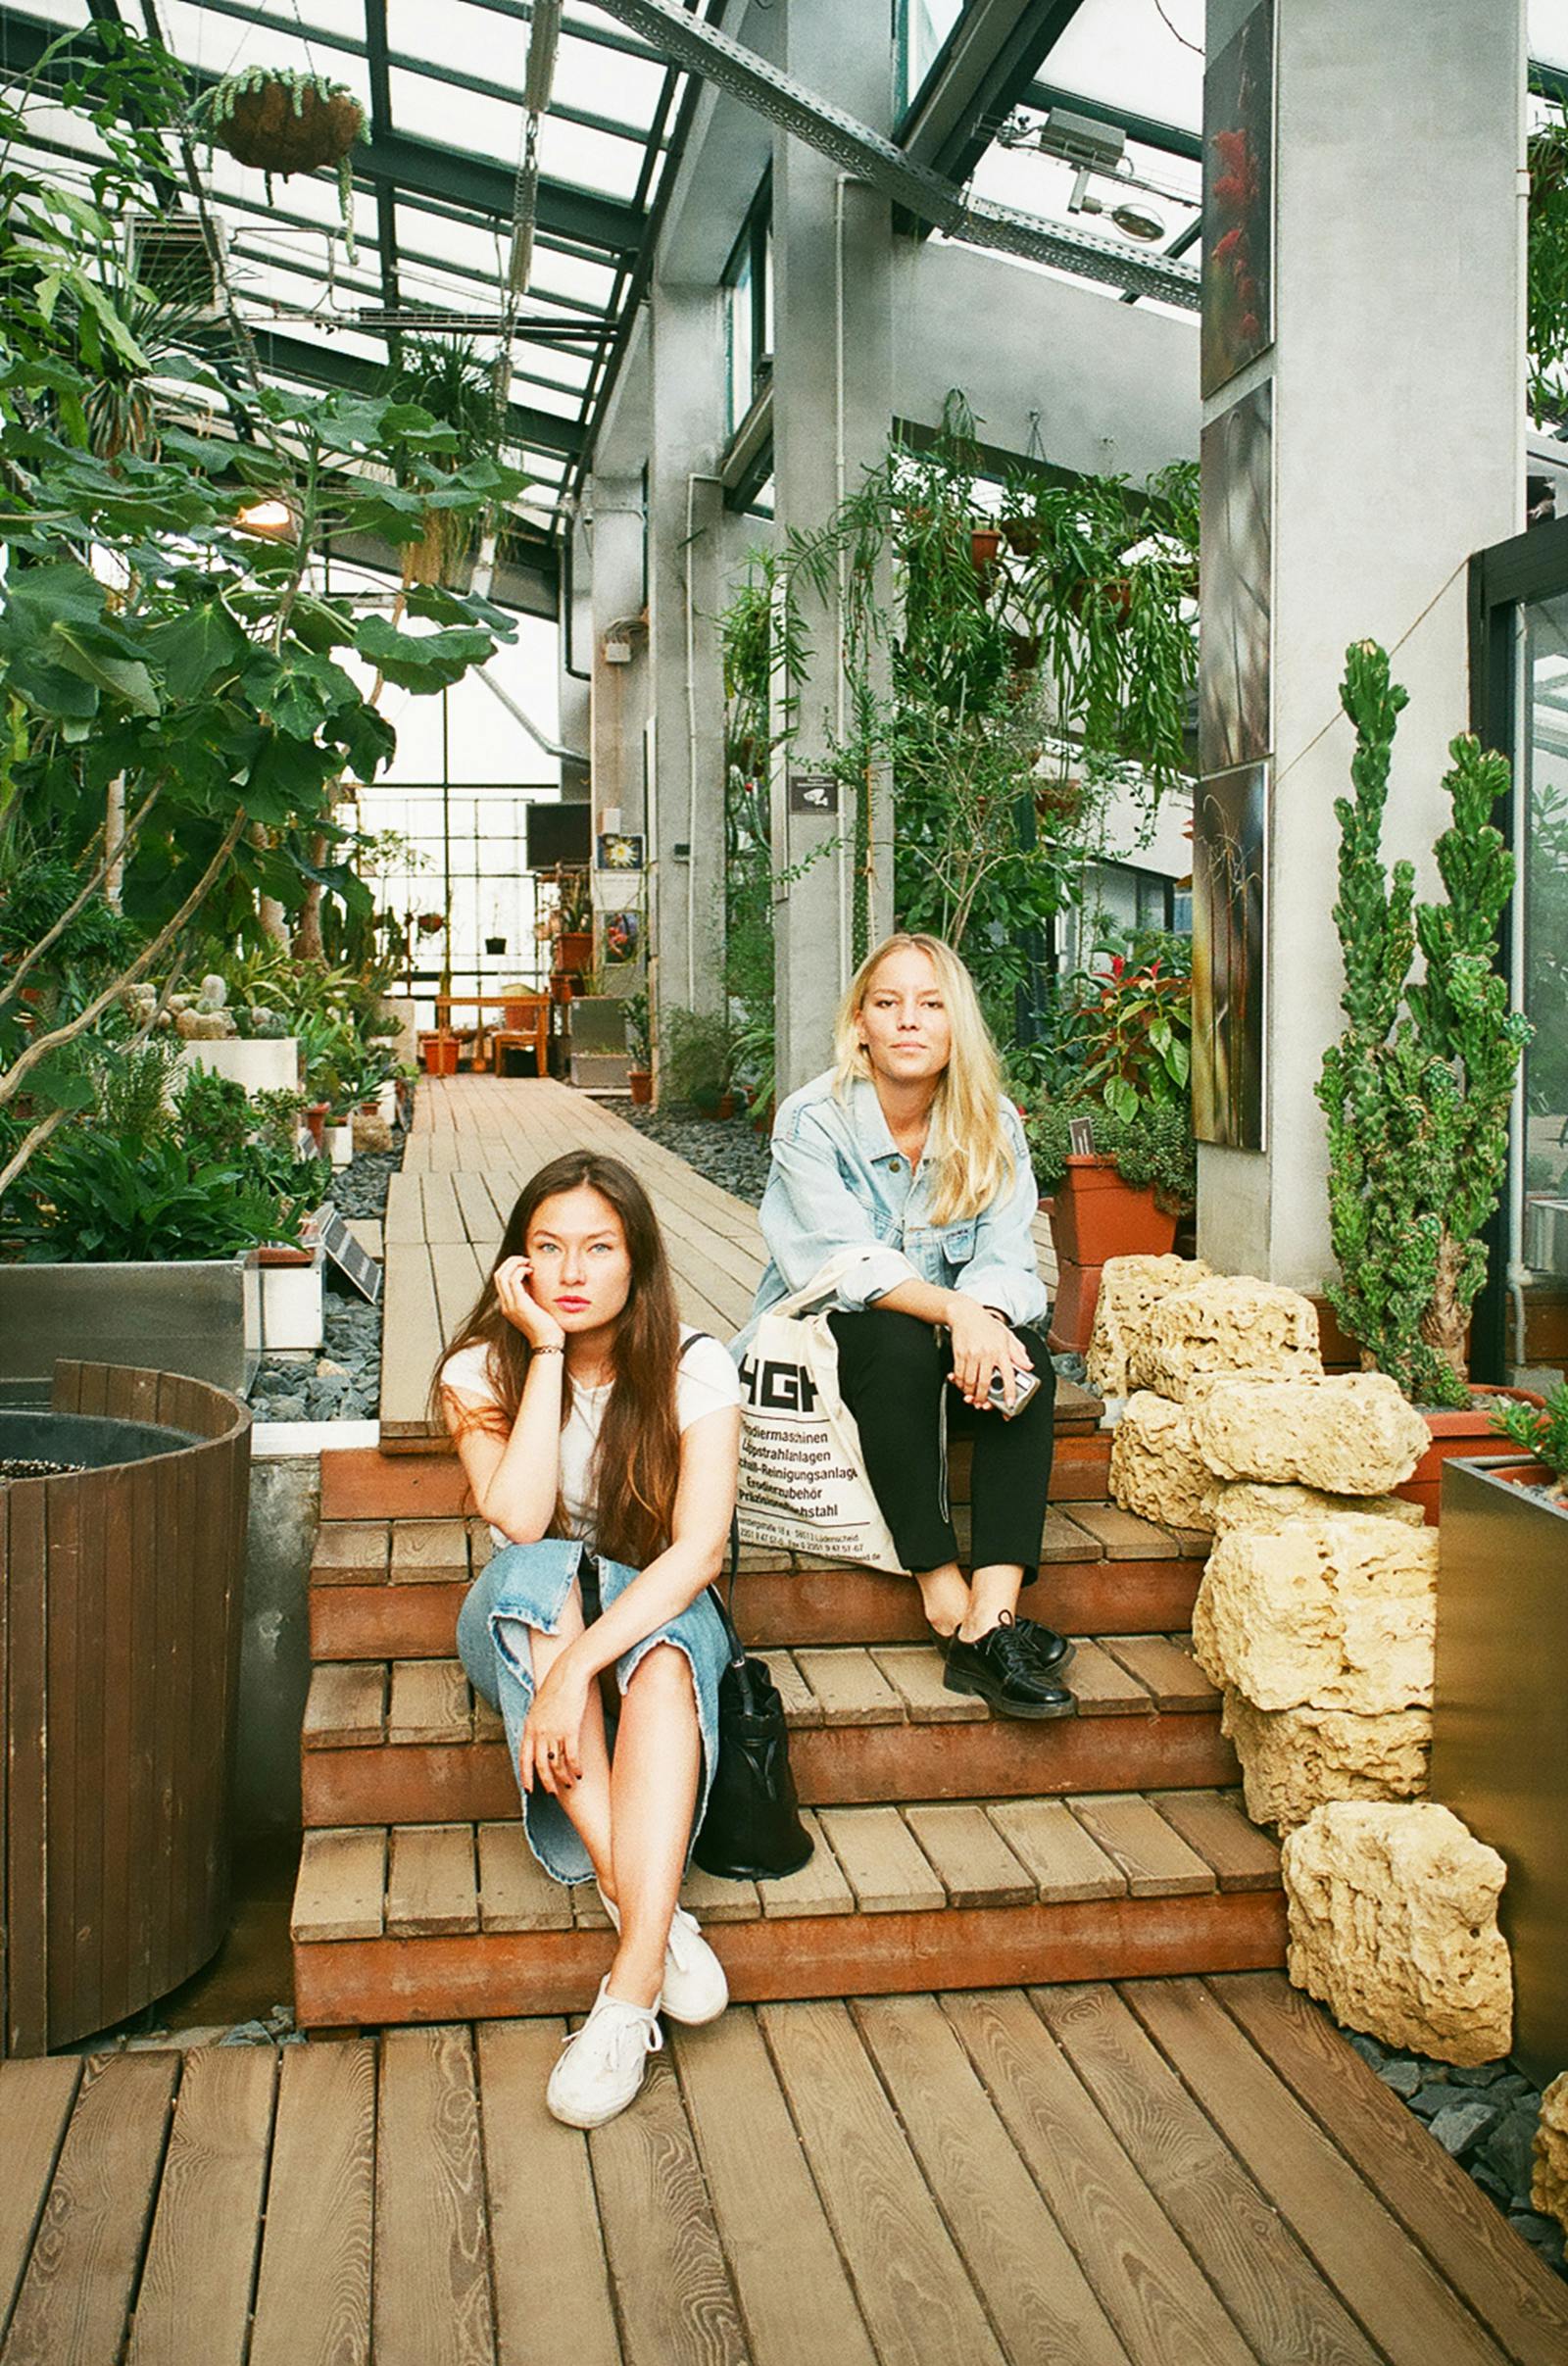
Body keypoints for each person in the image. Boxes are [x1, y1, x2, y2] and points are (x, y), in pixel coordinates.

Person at [435, 1151, 741, 2128]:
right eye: (547, 1247)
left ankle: (627, 1989)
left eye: (598, 1247)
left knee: (658, 1654)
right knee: (539, 1575)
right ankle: (653, 1909)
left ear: (636, 1259)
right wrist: (548, 1353)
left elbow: (697, 1552)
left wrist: (577, 1665)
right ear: (515, 1266)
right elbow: (521, 1520)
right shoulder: (478, 1368)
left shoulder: (695, 1364)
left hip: (648, 1620)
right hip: (521, 1616)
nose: (571, 1270)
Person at [736, 932, 1072, 1719]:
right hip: (838, 1356)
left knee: (1024, 1360)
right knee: (893, 1342)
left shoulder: (992, 1125)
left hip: (954, 1355)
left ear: (956, 1026)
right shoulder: (812, 1121)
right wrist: (956, 1310)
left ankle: (991, 1620)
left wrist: (982, 1318)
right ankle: (942, 1593)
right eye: (889, 1005)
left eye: (930, 1005)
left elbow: (1008, 1261)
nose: (909, 1022)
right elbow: (843, 1267)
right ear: (861, 1024)